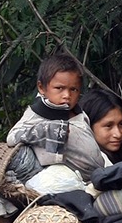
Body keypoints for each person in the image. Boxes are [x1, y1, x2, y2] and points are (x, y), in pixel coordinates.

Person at [6, 51, 110, 180]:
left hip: (94, 175)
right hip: (64, 178)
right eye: (59, 88)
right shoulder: (38, 113)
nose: (67, 95)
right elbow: (12, 137)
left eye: (73, 89)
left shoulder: (78, 113)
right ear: (42, 88)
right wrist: (50, 130)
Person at [77, 88, 122, 163]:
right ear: (88, 125)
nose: (118, 134)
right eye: (108, 126)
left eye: (121, 124)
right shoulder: (82, 163)